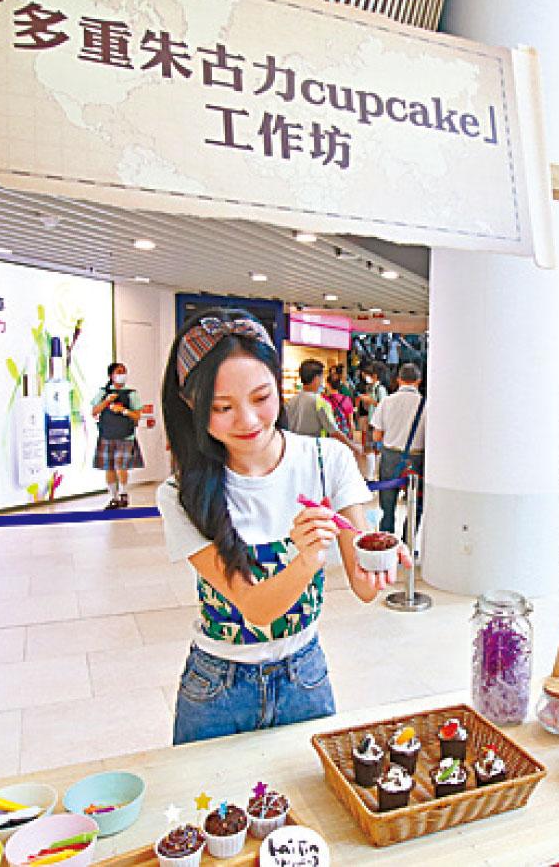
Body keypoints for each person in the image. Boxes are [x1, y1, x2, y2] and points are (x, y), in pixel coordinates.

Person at [157, 310, 408, 744]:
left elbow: (364, 587)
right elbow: (256, 610)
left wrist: (378, 558)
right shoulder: (181, 492)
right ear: (191, 404)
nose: (248, 420)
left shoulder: (327, 461)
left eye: (261, 397)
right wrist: (305, 559)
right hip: (216, 686)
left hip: (304, 675)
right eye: (222, 407)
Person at [370, 363, 426, 535]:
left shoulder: (387, 401)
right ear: (418, 381)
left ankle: (387, 541)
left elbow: (376, 436)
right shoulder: (426, 405)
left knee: (387, 507)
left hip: (390, 457)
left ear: (399, 380)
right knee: (415, 506)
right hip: (417, 460)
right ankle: (407, 540)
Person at [91, 362, 144, 509]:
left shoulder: (131, 394)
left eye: (124, 372)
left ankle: (123, 493)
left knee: (121, 466)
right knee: (109, 467)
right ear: (111, 375)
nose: (122, 375)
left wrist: (123, 411)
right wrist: (107, 401)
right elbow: (94, 411)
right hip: (106, 435)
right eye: (119, 372)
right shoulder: (103, 392)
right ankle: (113, 497)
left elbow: (137, 416)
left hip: (125, 436)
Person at [285, 359, 359, 456]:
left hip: (294, 450)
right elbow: (334, 432)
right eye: (321, 377)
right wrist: (354, 447)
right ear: (316, 378)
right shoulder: (320, 402)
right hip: (314, 452)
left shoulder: (291, 401)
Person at [322, 368, 355, 440]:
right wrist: (350, 438)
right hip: (343, 436)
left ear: (327, 384)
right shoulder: (346, 399)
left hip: (329, 436)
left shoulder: (323, 400)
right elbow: (351, 422)